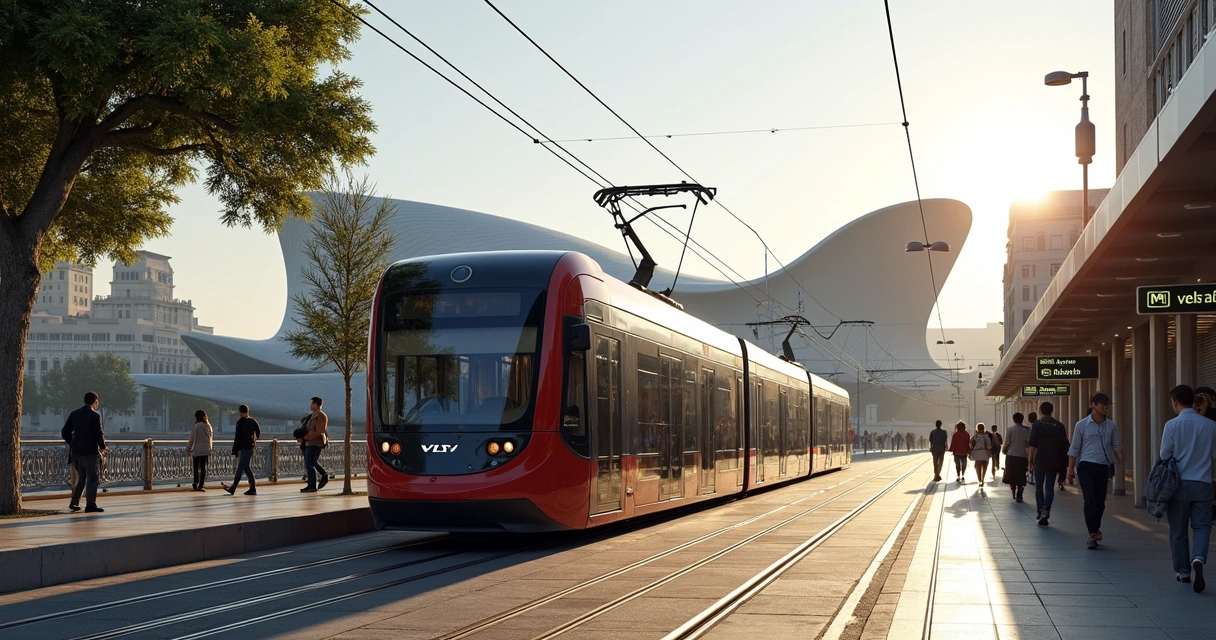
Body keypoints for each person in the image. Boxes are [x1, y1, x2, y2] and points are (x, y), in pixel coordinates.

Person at [1160, 384, 1216, 592]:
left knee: (1178, 530)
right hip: (1203, 484)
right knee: (1202, 527)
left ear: (1174, 401)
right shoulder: (1210, 425)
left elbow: (1165, 454)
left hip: (1179, 485)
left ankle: (1183, 572)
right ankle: (1199, 557)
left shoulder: (1172, 425)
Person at [1067, 392, 1124, 549]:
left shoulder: (1111, 426)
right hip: (1085, 465)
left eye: (1107, 404)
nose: (1105, 407)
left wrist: (1120, 468)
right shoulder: (1082, 425)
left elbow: (1117, 447)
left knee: (1100, 501)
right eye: (1102, 404)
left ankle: (1096, 527)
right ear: (1093, 405)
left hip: (1103, 466)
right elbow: (1074, 448)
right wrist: (1070, 469)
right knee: (1090, 499)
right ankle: (1092, 532)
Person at [61, 391, 107, 513]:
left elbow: (65, 431)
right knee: (93, 478)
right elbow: (98, 434)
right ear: (95, 401)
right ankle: (90, 504)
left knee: (81, 477)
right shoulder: (95, 415)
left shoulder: (74, 414)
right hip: (90, 452)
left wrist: (73, 443)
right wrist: (103, 447)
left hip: (76, 452)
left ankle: (74, 502)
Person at [1027, 401, 1069, 526]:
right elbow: (1064, 445)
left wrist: (1030, 461)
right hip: (1054, 460)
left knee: (1039, 487)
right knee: (1049, 487)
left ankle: (1040, 511)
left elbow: (1032, 444)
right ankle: (1046, 510)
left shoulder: (1037, 425)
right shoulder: (1059, 425)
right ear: (1052, 410)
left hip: (1039, 460)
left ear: (1040, 411)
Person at [223, 404, 262, 496]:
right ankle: (234, 488)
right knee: (241, 468)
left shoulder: (240, 422)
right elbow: (259, 431)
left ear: (240, 412)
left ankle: (252, 488)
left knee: (245, 467)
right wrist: (254, 440)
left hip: (243, 448)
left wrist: (235, 450)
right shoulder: (253, 421)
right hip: (250, 447)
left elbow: (237, 437)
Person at [300, 396, 329, 492]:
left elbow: (319, 431)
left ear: (316, 405)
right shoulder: (312, 415)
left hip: (315, 443)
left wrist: (305, 437)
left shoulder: (321, 416)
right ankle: (322, 475)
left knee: (310, 464)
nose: (310, 405)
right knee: (312, 462)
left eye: (312, 403)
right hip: (309, 443)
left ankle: (312, 485)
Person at [1002, 412, 1031, 503]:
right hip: (1022, 455)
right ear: (1022, 419)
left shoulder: (1010, 429)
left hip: (1011, 454)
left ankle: (1013, 488)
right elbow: (1028, 444)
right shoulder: (1027, 430)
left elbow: (1007, 442)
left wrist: (1003, 450)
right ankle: (1020, 491)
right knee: (1021, 473)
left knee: (1011, 473)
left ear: (1014, 420)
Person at [187, 410, 213, 491]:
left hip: (197, 450)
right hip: (205, 450)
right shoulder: (208, 426)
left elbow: (192, 438)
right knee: (203, 468)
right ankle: (201, 485)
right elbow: (210, 438)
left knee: (196, 468)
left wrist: (189, 448)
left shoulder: (197, 426)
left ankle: (195, 483)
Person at [970, 423, 993, 490]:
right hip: (984, 453)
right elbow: (989, 445)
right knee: (984, 467)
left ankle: (979, 480)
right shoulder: (986, 436)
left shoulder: (975, 436)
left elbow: (970, 444)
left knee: (977, 467)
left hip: (977, 452)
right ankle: (982, 479)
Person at [1026, 411, 1039, 486]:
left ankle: (1032, 477)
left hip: (1033, 447)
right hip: (1035, 447)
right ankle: (1032, 476)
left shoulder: (1033, 427)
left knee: (1031, 461)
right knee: (1032, 462)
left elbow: (1030, 439)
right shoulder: (1034, 426)